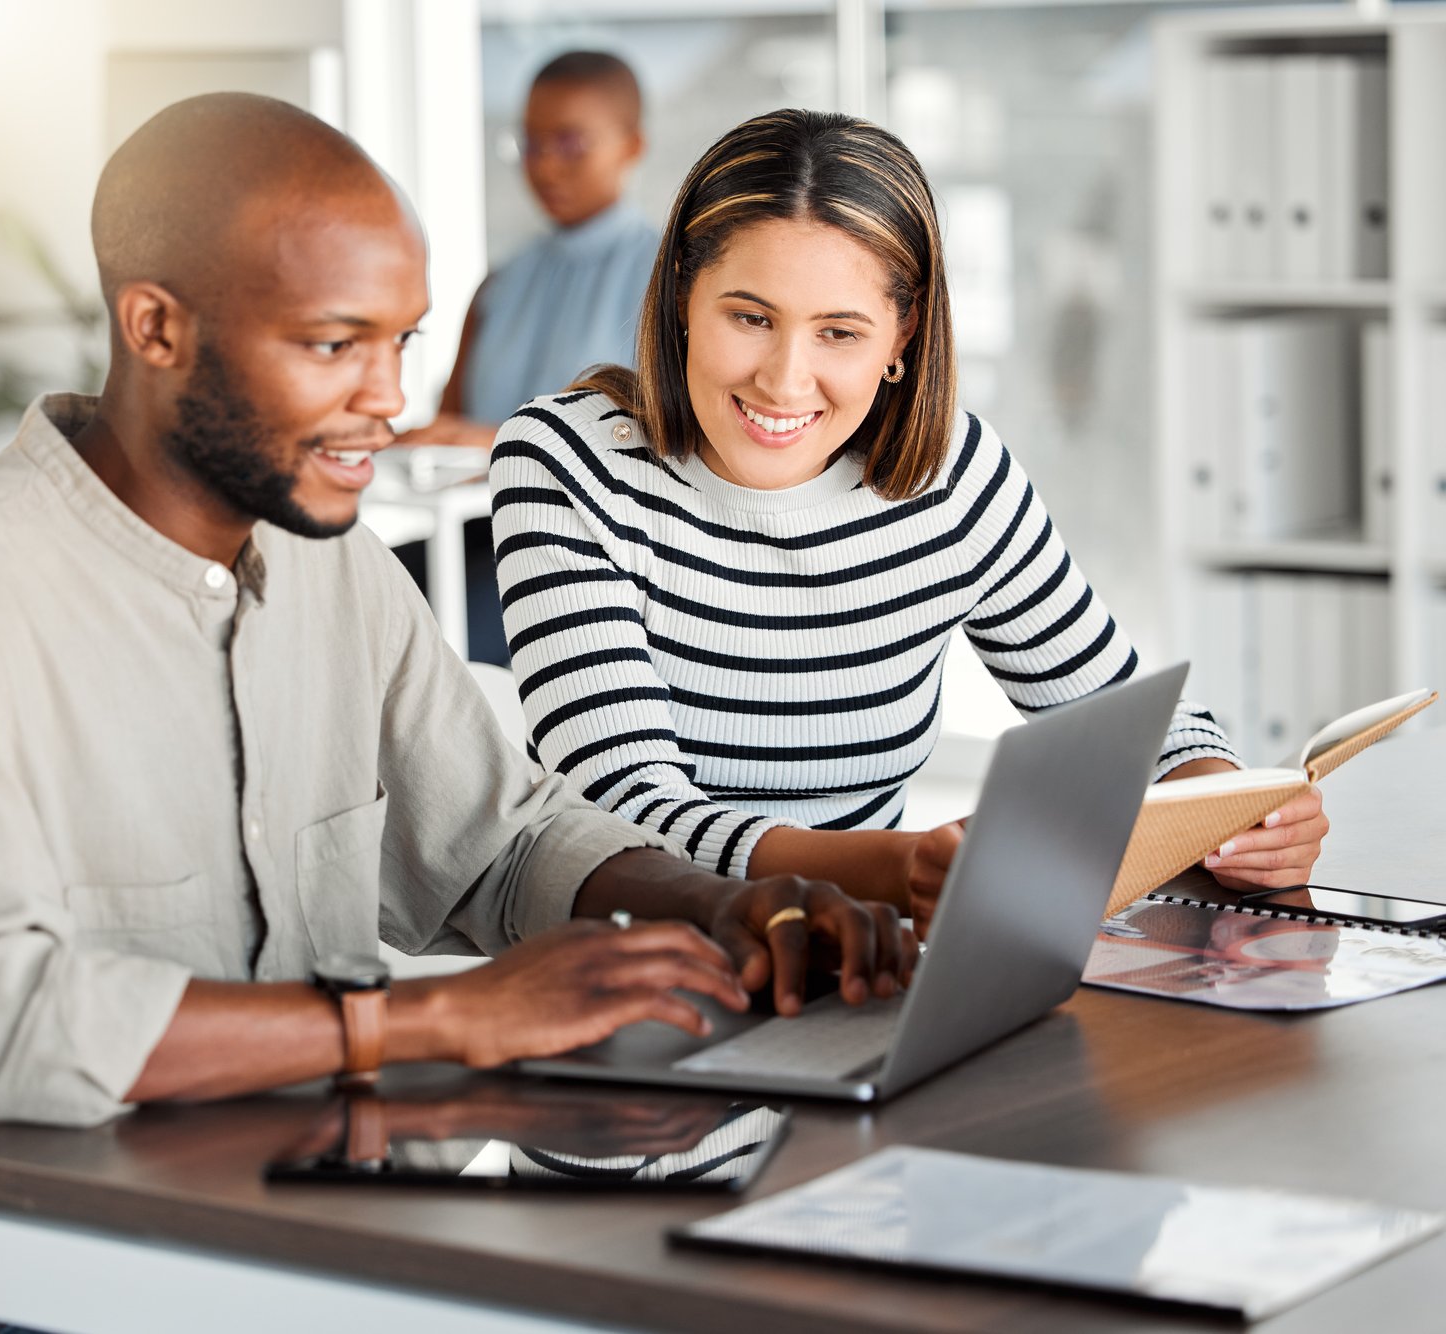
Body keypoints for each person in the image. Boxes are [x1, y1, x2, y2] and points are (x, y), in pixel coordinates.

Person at [0, 93, 916, 1233]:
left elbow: (495, 838)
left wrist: (723, 901)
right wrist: (426, 1022)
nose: (389, 402)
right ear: (156, 327)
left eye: (399, 342)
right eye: (333, 345)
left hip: (303, 1204)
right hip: (41, 1246)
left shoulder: (328, 557)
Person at [488, 109, 1328, 935]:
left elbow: (1129, 720)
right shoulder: (564, 462)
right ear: (681, 298)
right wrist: (894, 868)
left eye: (839, 333)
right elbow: (626, 815)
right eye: (750, 318)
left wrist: (1230, 809)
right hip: (622, 969)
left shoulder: (950, 476)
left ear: (902, 336)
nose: (785, 381)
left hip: (854, 963)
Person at [391, 50, 658, 666]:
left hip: (590, 552)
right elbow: (450, 426)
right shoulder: (500, 284)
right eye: (531, 143)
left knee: (415, 650)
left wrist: (494, 442)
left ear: (632, 145)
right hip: (475, 536)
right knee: (347, 594)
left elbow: (669, 439)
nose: (543, 165)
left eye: (570, 143)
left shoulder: (672, 283)